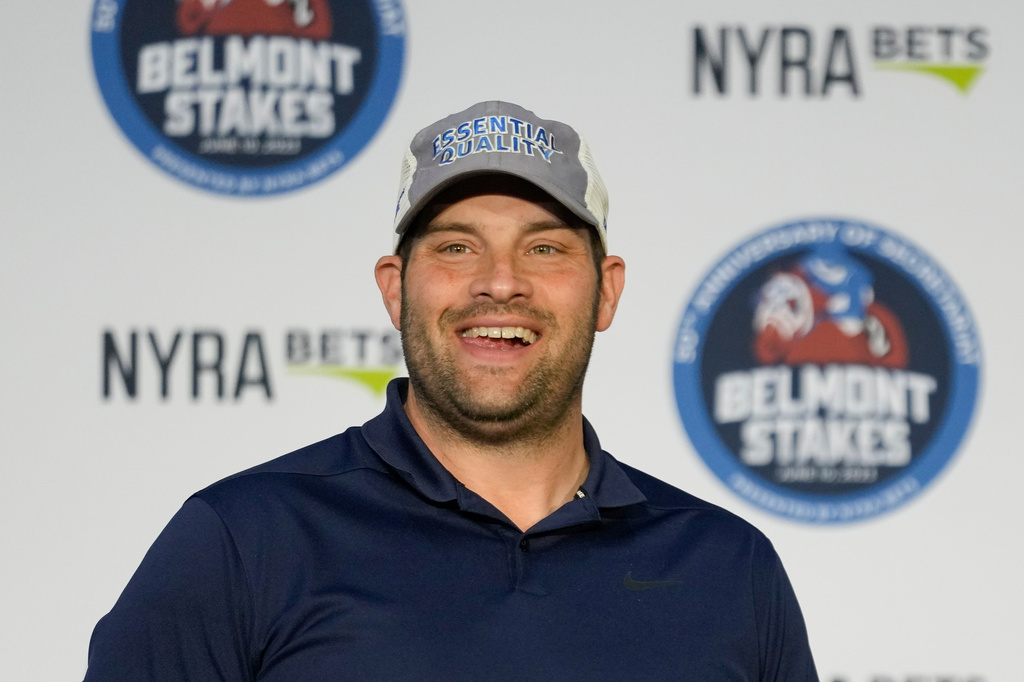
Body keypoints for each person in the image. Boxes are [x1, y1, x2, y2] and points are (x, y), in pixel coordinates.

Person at [85, 101, 818, 680]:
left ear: (606, 291)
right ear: (395, 288)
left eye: (544, 248)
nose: (500, 282)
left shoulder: (727, 568)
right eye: (456, 246)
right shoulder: (244, 543)